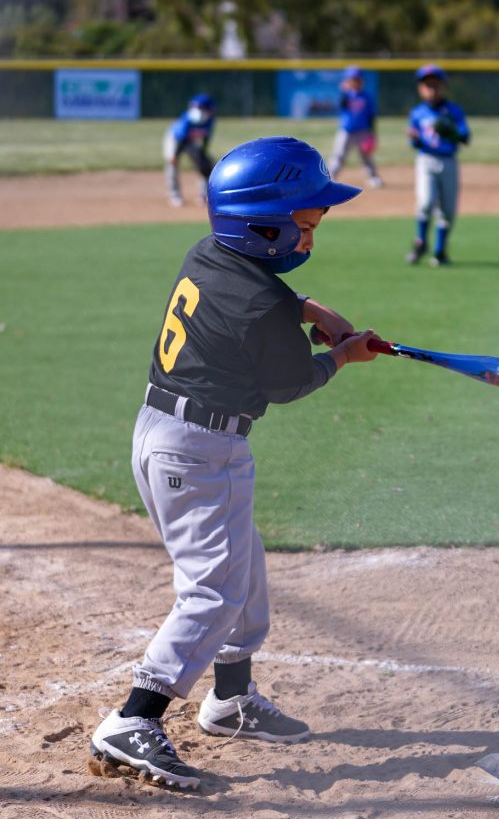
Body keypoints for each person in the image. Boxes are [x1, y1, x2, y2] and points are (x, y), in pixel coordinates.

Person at [90, 136, 379, 789]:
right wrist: (343, 354)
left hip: (166, 432)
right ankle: (134, 718)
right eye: (304, 226)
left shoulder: (210, 252)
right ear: (265, 229)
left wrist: (306, 307)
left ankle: (230, 699)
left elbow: (257, 298)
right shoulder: (264, 307)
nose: (311, 238)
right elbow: (290, 382)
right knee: (214, 589)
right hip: (199, 451)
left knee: (242, 564)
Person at [406, 65, 470, 267]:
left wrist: (452, 132)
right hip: (426, 160)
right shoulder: (417, 113)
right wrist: (414, 139)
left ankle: (440, 251)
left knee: (448, 211)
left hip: (448, 161)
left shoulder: (453, 111)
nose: (432, 89)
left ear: (444, 86)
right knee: (425, 203)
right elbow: (414, 142)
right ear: (420, 89)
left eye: (436, 85)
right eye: (428, 85)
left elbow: (465, 137)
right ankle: (421, 241)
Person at [328, 66, 382, 188]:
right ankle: (330, 177)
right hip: (346, 130)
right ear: (347, 81)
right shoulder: (346, 96)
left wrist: (372, 133)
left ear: (362, 81)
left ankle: (373, 177)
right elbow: (341, 104)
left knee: (366, 156)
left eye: (357, 79)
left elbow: (371, 116)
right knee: (339, 154)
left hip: (362, 131)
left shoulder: (366, 97)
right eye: (352, 79)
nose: (355, 82)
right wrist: (344, 91)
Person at [163, 93, 216, 208]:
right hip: (175, 139)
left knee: (205, 165)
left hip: (190, 141)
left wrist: (202, 153)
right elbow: (181, 139)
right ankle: (174, 195)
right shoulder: (187, 119)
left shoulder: (210, 120)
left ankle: (203, 194)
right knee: (172, 163)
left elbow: (206, 138)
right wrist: (174, 155)